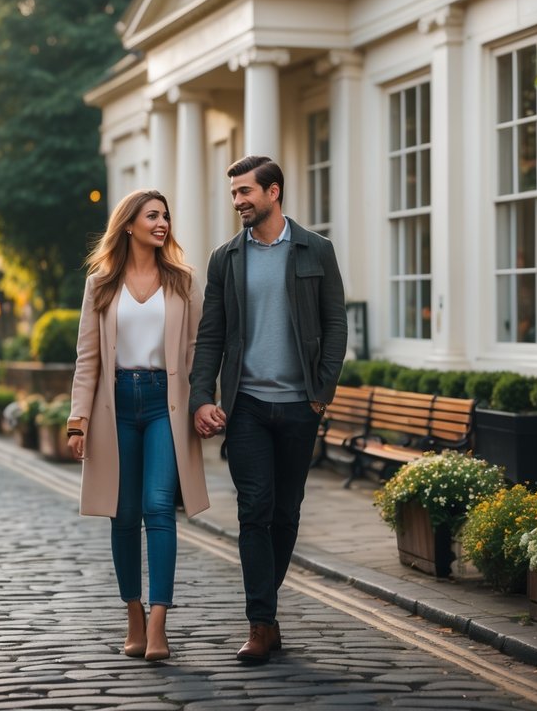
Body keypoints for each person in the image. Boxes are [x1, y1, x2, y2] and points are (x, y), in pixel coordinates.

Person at [190, 155, 347, 664]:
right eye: (234, 193)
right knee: (254, 510)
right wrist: (201, 396)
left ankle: (266, 607)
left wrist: (321, 390)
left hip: (300, 405)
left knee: (286, 512)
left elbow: (335, 324)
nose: (238, 201)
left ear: (273, 192)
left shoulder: (315, 250)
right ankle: (261, 622)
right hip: (248, 406)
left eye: (245, 192)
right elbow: (211, 334)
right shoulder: (226, 258)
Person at [67, 189, 209, 663]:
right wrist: (77, 420)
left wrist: (203, 403)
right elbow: (88, 358)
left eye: (166, 215)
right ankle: (133, 613)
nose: (163, 222)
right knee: (123, 513)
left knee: (158, 507)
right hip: (116, 405)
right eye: (153, 215)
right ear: (129, 224)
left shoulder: (183, 281)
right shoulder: (101, 283)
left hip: (164, 405)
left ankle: (159, 623)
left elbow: (196, 353)